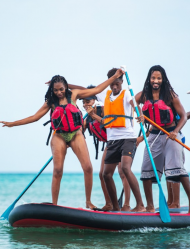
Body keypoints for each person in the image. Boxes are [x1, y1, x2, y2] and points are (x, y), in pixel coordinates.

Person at [0, 70, 124, 207]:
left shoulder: (74, 94)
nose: (59, 93)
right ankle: (54, 205)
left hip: (76, 134)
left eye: (61, 89)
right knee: (58, 170)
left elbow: (97, 89)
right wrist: (12, 124)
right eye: (56, 90)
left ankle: (88, 201)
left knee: (88, 167)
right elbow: (34, 117)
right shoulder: (51, 102)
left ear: (66, 87)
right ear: (52, 90)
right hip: (59, 135)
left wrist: (114, 76)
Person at [135, 65, 190, 213]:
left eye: (159, 78)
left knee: (177, 170)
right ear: (149, 79)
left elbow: (184, 116)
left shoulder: (170, 95)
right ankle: (149, 206)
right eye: (153, 78)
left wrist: (176, 131)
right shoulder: (144, 95)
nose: (156, 81)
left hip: (171, 135)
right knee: (146, 170)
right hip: (154, 135)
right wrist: (140, 114)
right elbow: (133, 101)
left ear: (163, 79)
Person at [80, 86, 131, 211]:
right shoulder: (86, 118)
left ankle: (126, 205)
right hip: (110, 144)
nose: (85, 105)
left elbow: (106, 122)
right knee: (102, 174)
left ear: (95, 100)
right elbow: (80, 133)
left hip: (121, 140)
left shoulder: (103, 109)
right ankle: (109, 203)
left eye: (88, 102)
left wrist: (94, 114)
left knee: (123, 172)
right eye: (83, 103)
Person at [100, 68, 145, 212]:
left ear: (122, 82)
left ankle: (140, 205)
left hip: (128, 138)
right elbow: (87, 90)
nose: (114, 87)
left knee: (125, 168)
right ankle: (115, 207)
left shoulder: (126, 94)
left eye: (117, 84)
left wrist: (141, 114)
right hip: (112, 140)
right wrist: (68, 85)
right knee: (106, 174)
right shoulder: (105, 95)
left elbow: (135, 104)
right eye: (112, 84)